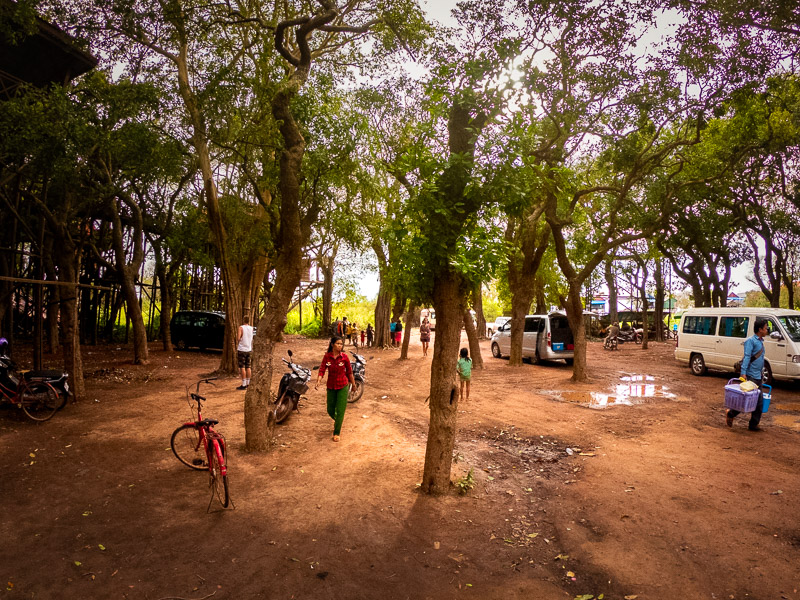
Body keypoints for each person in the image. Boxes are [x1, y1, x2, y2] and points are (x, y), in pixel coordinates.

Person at [727, 318, 768, 431]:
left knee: (759, 402)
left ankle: (753, 425)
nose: (767, 330)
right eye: (765, 328)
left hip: (758, 376)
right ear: (760, 329)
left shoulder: (760, 341)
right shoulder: (751, 341)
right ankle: (731, 414)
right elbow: (747, 357)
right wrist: (743, 372)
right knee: (745, 401)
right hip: (750, 376)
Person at [315, 336, 355, 442]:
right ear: (332, 345)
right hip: (331, 386)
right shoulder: (327, 357)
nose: (340, 346)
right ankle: (339, 420)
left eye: (341, 344)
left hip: (343, 386)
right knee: (330, 409)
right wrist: (318, 380)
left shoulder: (345, 357)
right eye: (338, 343)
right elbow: (322, 369)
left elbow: (349, 372)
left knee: (340, 410)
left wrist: (354, 384)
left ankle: (336, 432)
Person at [236, 316, 254, 390]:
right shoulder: (251, 328)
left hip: (242, 349)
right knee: (248, 366)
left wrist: (241, 339)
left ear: (243, 320)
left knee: (242, 367)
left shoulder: (241, 328)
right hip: (249, 349)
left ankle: (243, 384)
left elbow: (238, 338)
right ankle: (248, 383)